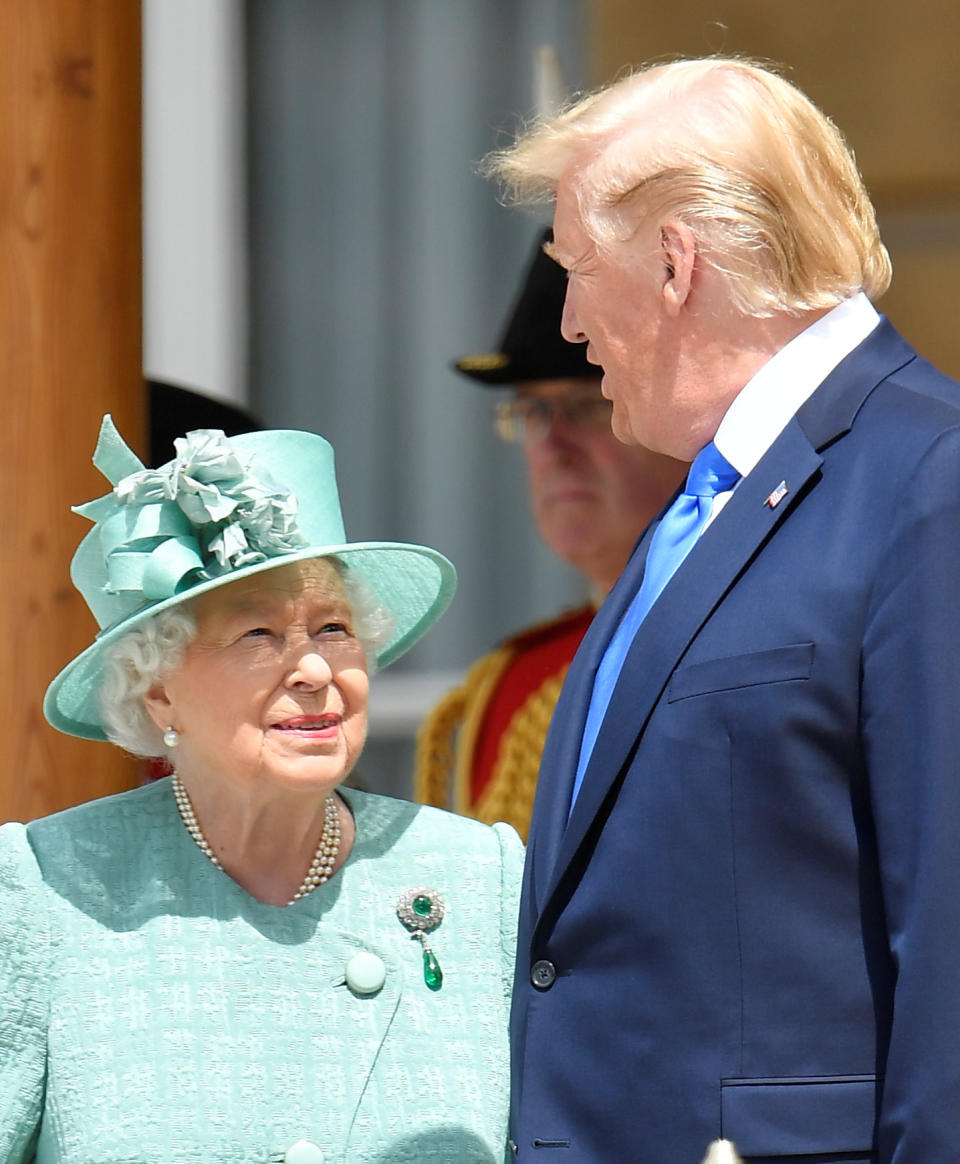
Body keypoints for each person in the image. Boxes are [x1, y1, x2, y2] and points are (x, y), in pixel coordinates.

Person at [486, 56, 960, 1162]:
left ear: (673, 262)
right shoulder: (708, 497)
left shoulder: (929, 481)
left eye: (576, 266)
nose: (566, 320)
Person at [0, 416, 523, 1162]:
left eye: (334, 629)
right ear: (159, 695)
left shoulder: (481, 881)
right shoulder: (45, 893)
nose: (316, 671)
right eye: (259, 636)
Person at [415, 229, 685, 838]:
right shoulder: (515, 683)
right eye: (533, 410)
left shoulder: (740, 642)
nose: (554, 445)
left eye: (591, 403)